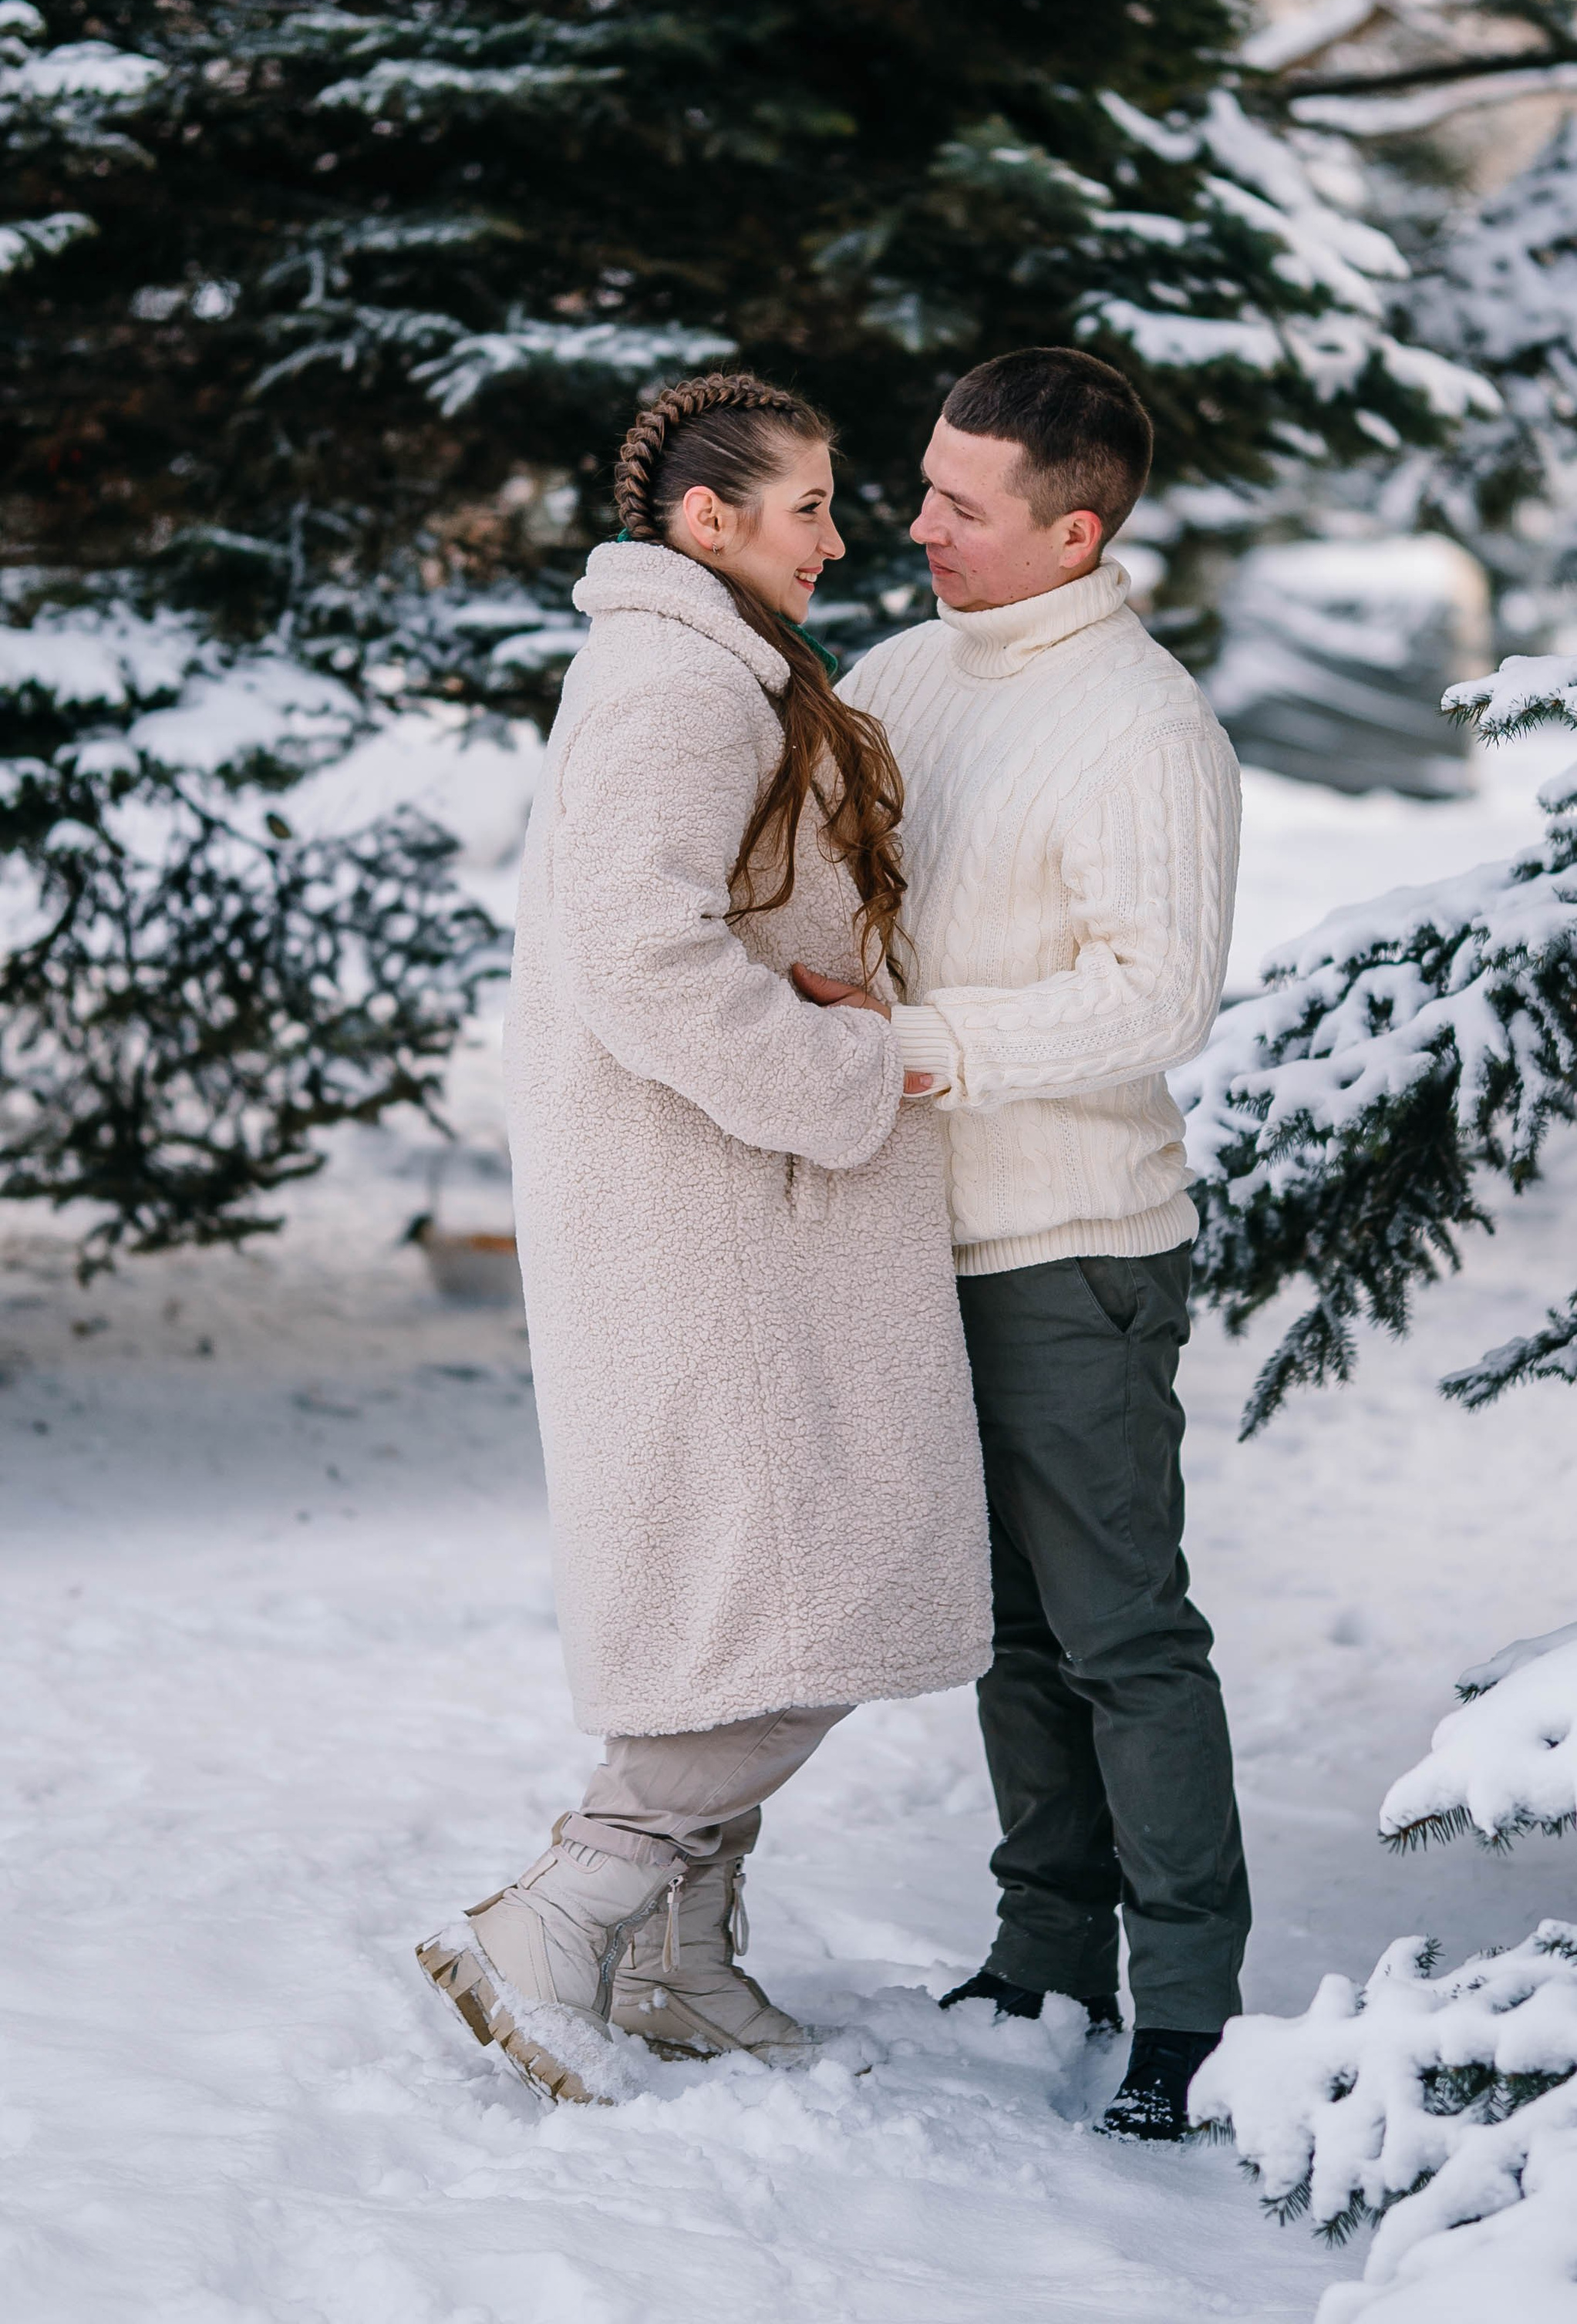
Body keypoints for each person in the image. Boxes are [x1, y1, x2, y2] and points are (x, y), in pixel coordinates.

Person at [416, 372, 991, 2104]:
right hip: (725, 1210)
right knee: (806, 1599)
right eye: (808, 505)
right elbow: (639, 954)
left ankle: (676, 1962)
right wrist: (843, 1063)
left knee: (753, 1596)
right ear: (706, 521)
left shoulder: (708, 666)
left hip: (740, 1206)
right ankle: (567, 1910)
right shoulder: (678, 682)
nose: (840, 535)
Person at [797, 346, 1247, 2142]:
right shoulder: (903, 675)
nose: (919, 528)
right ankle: (1046, 1952)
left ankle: (1186, 2013)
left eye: (961, 508)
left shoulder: (1143, 727)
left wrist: (922, 1044)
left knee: (1119, 1634)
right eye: (922, 488)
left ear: (1072, 533)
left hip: (1071, 1248)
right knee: (1005, 1634)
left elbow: (1155, 998)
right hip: (914, 1237)